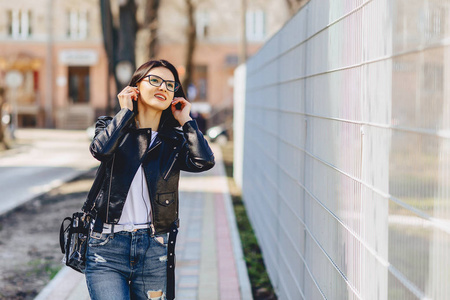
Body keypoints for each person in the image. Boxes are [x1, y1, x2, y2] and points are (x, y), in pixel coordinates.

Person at [83, 59, 215, 300]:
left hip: (154, 249)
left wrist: (186, 120)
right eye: (154, 80)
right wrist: (125, 113)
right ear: (136, 87)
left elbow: (203, 161)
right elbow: (100, 151)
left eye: (170, 85)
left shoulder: (174, 141)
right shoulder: (110, 126)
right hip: (106, 248)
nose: (163, 87)